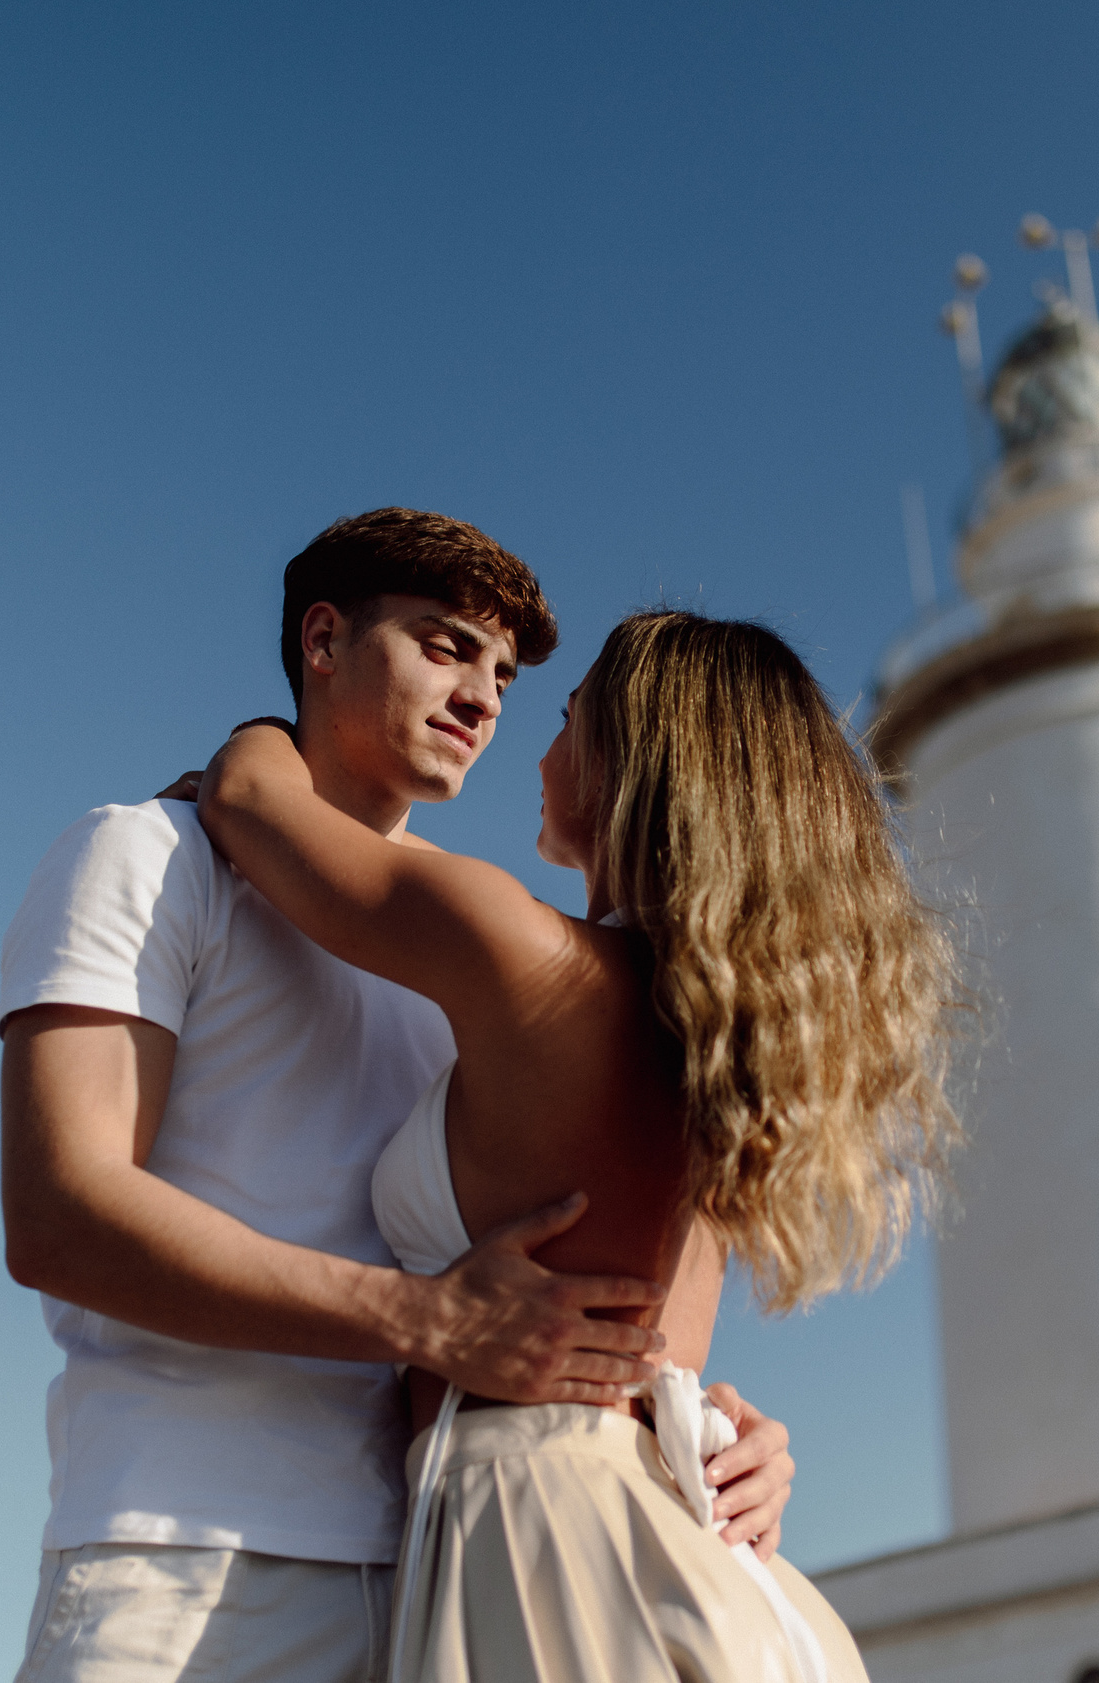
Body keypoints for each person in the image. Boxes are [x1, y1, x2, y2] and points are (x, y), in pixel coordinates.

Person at [0, 511, 800, 1683]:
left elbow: (590, 1254)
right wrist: (423, 1320)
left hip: (458, 1569)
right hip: (192, 1553)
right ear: (323, 640)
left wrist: (695, 1422)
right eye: (444, 646)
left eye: (508, 677)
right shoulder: (146, 855)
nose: (483, 697)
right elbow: (59, 1216)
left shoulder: (498, 951)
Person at [196, 610, 963, 1683]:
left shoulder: (521, 954)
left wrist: (274, 721)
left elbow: (246, 798)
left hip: (550, 1549)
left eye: (565, 717)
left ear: (622, 763)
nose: (534, 747)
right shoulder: (730, 1048)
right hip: (702, 1558)